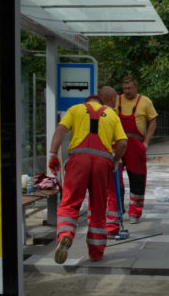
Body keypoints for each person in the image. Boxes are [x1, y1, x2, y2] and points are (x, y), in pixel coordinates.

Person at [48, 88, 127, 264]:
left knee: (69, 202)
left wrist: (53, 154)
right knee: (98, 208)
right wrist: (115, 161)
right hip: (102, 164)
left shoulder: (75, 109)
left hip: (78, 162)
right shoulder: (112, 114)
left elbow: (60, 130)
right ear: (102, 102)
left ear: (87, 101)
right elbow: (122, 143)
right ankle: (96, 253)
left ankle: (66, 235)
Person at [114, 76, 158, 224]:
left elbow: (153, 121)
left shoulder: (145, 101)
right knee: (115, 180)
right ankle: (117, 211)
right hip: (117, 145)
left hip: (136, 146)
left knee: (137, 180)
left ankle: (135, 213)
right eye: (125, 88)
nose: (127, 91)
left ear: (135, 88)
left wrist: (146, 142)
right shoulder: (116, 100)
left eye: (130, 88)